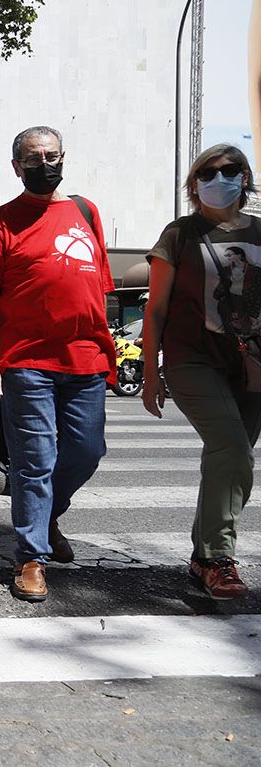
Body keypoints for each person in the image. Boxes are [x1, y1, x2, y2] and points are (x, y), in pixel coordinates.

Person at [0, 125, 117, 603]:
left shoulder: (85, 212)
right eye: (33, 159)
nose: (44, 164)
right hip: (27, 360)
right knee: (34, 462)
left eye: (51, 155)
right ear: (17, 167)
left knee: (87, 451)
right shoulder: (1, 220)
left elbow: (100, 287)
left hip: (86, 358)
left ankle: (47, 518)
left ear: (64, 157)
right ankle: (31, 557)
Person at [142, 144, 259, 600]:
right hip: (192, 359)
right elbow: (155, 310)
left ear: (244, 179)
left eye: (230, 170)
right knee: (231, 447)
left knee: (230, 459)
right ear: (194, 184)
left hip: (251, 363)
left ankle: (203, 554)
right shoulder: (180, 234)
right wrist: (152, 373)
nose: (219, 177)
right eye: (208, 172)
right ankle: (216, 559)